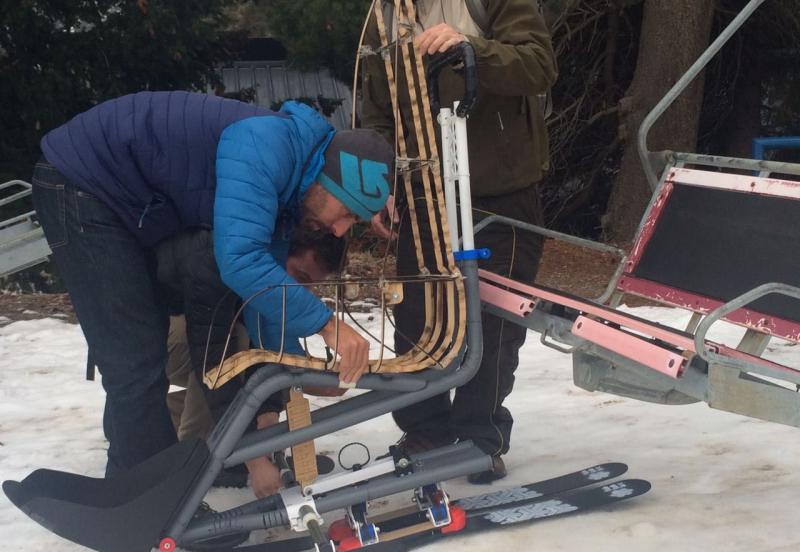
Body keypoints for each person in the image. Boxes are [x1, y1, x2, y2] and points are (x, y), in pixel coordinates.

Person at [32, 91, 393, 477]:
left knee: (142, 355)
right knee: (133, 361)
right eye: (347, 214)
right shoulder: (267, 148)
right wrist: (327, 324)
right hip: (84, 182)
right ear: (328, 182)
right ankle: (144, 498)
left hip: (119, 202)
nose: (339, 231)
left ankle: (147, 487)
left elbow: (264, 305)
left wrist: (298, 374)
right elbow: (240, 263)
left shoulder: (293, 190)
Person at [362, 0, 558, 482]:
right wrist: (378, 183)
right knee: (416, 316)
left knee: (495, 320)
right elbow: (375, 110)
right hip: (422, 190)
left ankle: (480, 434)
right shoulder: (381, 15)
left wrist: (472, 48)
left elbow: (538, 65)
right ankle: (425, 428)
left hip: (501, 191)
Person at [160, 227, 347, 496]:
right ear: (281, 252)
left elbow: (273, 352)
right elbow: (215, 364)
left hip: (202, 344)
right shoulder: (227, 263)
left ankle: (163, 414)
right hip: (164, 339)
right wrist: (253, 458)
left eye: (310, 286)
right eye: (301, 276)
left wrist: (274, 408)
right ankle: (195, 458)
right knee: (233, 346)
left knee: (244, 351)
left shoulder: (274, 281)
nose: (301, 291)